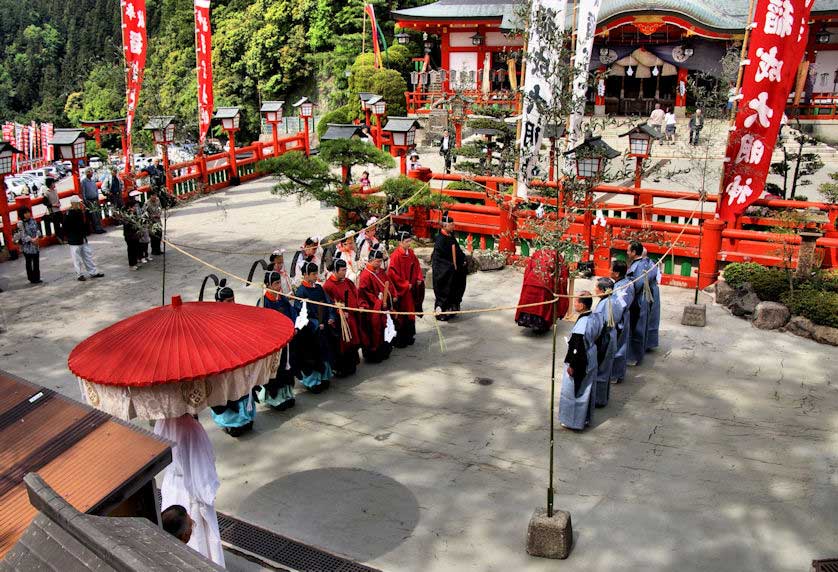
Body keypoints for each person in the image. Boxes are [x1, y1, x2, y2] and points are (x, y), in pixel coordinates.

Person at [154, 414, 225, 567]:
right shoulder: (192, 428)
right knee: (198, 541)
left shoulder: (161, 421)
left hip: (172, 485)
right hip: (192, 489)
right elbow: (203, 466)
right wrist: (206, 496)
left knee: (172, 536)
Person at [209, 284, 257, 436]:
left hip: (240, 360)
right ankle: (230, 423)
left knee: (243, 390)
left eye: (233, 300)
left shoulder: (238, 316)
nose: (232, 303)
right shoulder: (211, 322)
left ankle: (246, 417)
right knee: (227, 394)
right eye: (228, 301)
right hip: (223, 364)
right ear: (219, 302)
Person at [559, 292, 602, 431]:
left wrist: (573, 365)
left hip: (581, 359)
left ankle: (573, 421)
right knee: (586, 389)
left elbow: (578, 347)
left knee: (575, 390)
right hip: (591, 355)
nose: (574, 304)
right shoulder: (595, 316)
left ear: (582, 305)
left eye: (576, 302)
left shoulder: (582, 325)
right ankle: (585, 418)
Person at [255, 271, 297, 410]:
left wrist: (293, 325)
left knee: (287, 368)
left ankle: (287, 393)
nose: (279, 286)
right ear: (268, 285)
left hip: (286, 340)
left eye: (279, 282)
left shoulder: (282, 298)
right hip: (273, 343)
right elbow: (261, 325)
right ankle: (274, 398)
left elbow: (291, 312)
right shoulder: (263, 302)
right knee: (276, 371)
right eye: (276, 283)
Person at [293, 262, 337, 392]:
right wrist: (316, 324)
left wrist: (331, 317)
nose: (316, 276)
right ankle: (312, 381)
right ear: (305, 275)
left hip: (323, 328)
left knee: (325, 353)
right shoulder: (301, 292)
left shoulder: (318, 288)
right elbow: (300, 314)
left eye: (316, 273)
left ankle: (324, 377)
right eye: (313, 274)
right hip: (311, 332)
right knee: (313, 356)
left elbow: (329, 303)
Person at [322, 258, 362, 377]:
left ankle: (352, 365)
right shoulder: (328, 286)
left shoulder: (347, 281)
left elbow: (355, 294)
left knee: (352, 343)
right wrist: (339, 312)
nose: (345, 272)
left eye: (345, 270)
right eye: (343, 270)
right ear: (336, 270)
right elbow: (328, 304)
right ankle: (341, 368)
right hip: (340, 322)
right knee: (342, 345)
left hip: (351, 317)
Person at [515, 248, 569, 333]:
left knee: (529, 303)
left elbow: (528, 269)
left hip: (531, 281)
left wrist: (526, 282)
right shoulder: (557, 256)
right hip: (545, 284)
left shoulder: (537, 253)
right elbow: (562, 274)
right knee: (543, 305)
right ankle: (540, 326)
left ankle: (528, 322)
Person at [387, 226, 424, 348]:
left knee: (410, 312)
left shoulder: (411, 253)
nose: (409, 243)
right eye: (407, 241)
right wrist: (404, 285)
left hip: (411, 288)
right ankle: (401, 339)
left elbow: (417, 266)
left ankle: (409, 336)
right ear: (400, 242)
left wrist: (419, 278)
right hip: (402, 290)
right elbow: (392, 274)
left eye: (410, 241)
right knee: (402, 314)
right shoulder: (395, 256)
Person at [626, 241, 660, 366]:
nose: (627, 252)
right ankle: (638, 352)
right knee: (642, 325)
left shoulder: (638, 266)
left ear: (634, 253)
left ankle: (634, 357)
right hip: (646, 297)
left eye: (629, 250)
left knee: (637, 328)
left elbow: (637, 285)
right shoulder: (648, 263)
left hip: (639, 299)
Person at [357, 249, 394, 362]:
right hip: (373, 308)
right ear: (371, 260)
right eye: (377, 261)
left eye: (380, 261)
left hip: (383, 306)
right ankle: (373, 355)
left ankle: (384, 351)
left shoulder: (380, 271)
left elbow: (389, 284)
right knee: (373, 332)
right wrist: (378, 301)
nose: (379, 264)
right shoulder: (365, 275)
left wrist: (391, 296)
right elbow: (364, 293)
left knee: (385, 328)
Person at [431, 211, 467, 320]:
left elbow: (457, 250)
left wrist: (463, 260)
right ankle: (441, 312)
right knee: (444, 289)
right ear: (446, 225)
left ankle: (452, 307)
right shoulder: (440, 239)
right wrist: (451, 265)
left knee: (456, 285)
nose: (453, 226)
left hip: (452, 268)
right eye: (452, 225)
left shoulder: (450, 236)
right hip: (443, 270)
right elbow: (439, 258)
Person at [64, 196, 104, 282]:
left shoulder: (80, 212)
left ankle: (93, 272)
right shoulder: (69, 214)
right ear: (73, 204)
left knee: (88, 256)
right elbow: (66, 228)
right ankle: (79, 274)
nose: (80, 204)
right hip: (74, 239)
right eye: (78, 203)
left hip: (82, 238)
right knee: (77, 258)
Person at [592, 277, 616, 408]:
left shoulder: (604, 305)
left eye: (596, 287)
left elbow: (600, 326)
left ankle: (599, 400)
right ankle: (602, 397)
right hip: (611, 335)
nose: (594, 289)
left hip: (605, 338)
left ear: (602, 290)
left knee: (601, 369)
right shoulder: (612, 300)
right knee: (605, 369)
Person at [609, 259, 634, 384]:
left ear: (617, 273)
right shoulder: (624, 283)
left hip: (620, 319)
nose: (609, 271)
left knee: (618, 346)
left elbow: (619, 307)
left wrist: (612, 320)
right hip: (622, 317)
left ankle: (615, 374)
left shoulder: (622, 287)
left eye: (611, 269)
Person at [14, 206, 42, 284]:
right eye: (25, 213)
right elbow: (23, 235)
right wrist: (31, 240)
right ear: (22, 214)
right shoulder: (20, 223)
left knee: (36, 262)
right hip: (27, 246)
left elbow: (37, 230)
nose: (27, 214)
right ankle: (31, 278)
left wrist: (36, 238)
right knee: (29, 262)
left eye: (28, 212)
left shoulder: (33, 220)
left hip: (35, 244)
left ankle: (37, 277)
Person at [121, 196, 142, 270]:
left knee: (136, 249)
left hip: (135, 234)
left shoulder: (134, 214)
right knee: (131, 250)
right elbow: (127, 225)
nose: (135, 208)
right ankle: (131, 264)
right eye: (133, 207)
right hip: (129, 235)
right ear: (129, 207)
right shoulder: (126, 215)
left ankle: (135, 262)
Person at [81, 168, 105, 233]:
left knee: (98, 214)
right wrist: (85, 201)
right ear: (87, 173)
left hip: (95, 199)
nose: (91, 173)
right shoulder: (83, 182)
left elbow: (96, 189)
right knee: (93, 215)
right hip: (89, 200)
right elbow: (83, 192)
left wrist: (97, 197)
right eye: (90, 172)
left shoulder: (93, 180)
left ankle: (100, 227)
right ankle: (96, 228)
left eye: (91, 172)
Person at [145, 191, 163, 256]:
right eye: (154, 196)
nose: (155, 197)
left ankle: (159, 249)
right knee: (153, 236)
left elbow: (160, 208)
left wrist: (159, 213)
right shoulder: (147, 203)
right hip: (151, 222)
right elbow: (145, 213)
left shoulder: (158, 200)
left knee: (159, 235)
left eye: (156, 196)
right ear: (150, 196)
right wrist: (151, 216)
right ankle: (154, 250)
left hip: (158, 221)